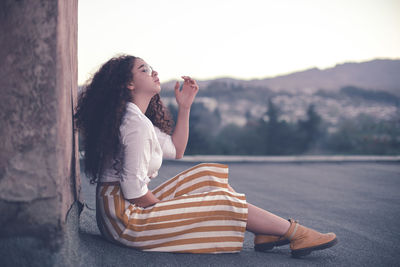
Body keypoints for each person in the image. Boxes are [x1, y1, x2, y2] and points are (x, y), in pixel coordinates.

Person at [73, 54, 338, 257]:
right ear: (129, 83)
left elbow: (177, 149)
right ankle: (295, 232)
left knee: (206, 176)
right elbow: (133, 190)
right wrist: (178, 209)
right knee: (220, 202)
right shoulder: (135, 124)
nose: (154, 72)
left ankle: (264, 233)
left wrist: (184, 107)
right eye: (144, 70)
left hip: (123, 209)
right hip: (124, 222)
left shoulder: (137, 120)